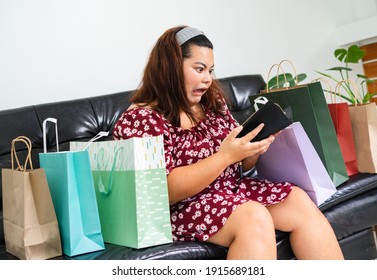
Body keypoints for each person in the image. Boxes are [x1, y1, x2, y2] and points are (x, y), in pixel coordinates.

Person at [113, 25, 344, 260]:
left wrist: (252, 149)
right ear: (170, 67)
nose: (206, 79)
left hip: (230, 191)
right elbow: (165, 191)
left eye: (210, 70)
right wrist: (225, 156)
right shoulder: (142, 119)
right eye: (199, 69)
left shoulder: (212, 102)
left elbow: (240, 166)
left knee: (297, 200)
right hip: (181, 207)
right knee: (253, 216)